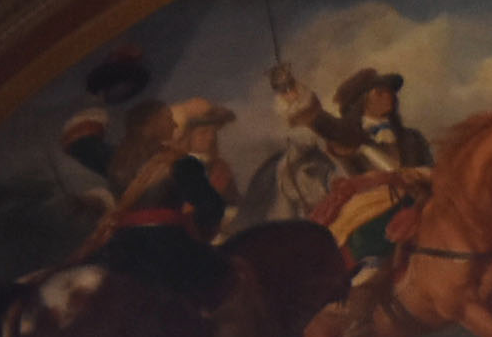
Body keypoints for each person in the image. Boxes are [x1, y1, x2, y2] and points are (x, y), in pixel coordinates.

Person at [271, 64, 433, 321]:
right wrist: (291, 91)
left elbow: (431, 168)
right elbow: (320, 121)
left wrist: (419, 175)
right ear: (362, 100)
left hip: (419, 195)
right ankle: (366, 276)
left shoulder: (412, 137)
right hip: (373, 199)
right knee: (370, 229)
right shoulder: (350, 136)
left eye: (391, 92)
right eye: (380, 92)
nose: (389, 96)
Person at [84, 100, 242, 306]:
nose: (174, 125)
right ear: (153, 124)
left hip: (122, 247)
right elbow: (211, 207)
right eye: (168, 120)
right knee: (232, 281)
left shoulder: (115, 160)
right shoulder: (180, 162)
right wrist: (199, 235)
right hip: (171, 245)